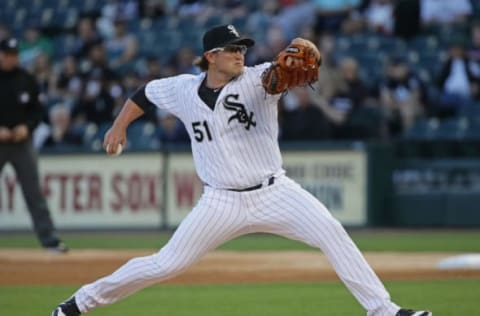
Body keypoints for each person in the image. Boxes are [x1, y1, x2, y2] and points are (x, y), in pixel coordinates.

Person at [51, 25, 430, 316]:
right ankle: (77, 304)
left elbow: (274, 78)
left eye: (242, 48)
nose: (240, 54)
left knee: (332, 232)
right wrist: (119, 126)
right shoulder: (182, 89)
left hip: (275, 192)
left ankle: (386, 311)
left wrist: (284, 73)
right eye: (232, 49)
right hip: (220, 202)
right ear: (210, 56)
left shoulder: (258, 78)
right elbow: (144, 94)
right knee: (165, 263)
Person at [0, 38, 67, 253]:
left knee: (33, 191)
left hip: (22, 143)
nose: (11, 58)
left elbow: (38, 112)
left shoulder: (26, 78)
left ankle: (50, 240)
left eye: (14, 54)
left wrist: (26, 127)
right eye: (7, 54)